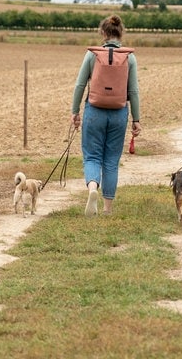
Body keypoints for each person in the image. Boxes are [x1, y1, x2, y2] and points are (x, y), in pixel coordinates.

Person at [71, 14, 142, 216]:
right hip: (119, 113)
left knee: (92, 156)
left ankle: (93, 188)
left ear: (102, 33)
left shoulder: (93, 54)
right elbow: (134, 91)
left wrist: (75, 111)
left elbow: (80, 84)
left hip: (94, 111)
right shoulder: (130, 57)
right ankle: (107, 209)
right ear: (121, 33)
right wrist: (136, 119)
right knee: (111, 160)